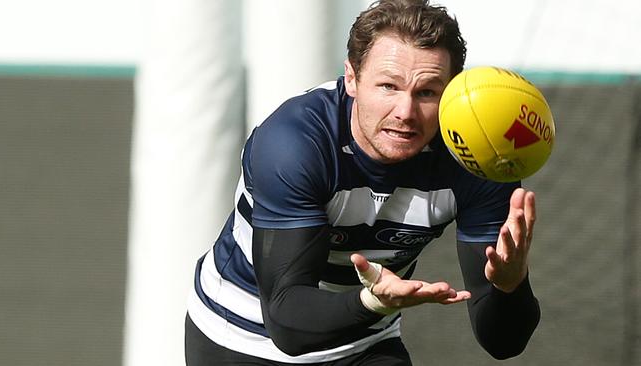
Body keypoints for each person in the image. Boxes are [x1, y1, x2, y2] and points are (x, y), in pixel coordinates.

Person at [185, 0, 541, 364]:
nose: (405, 113)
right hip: (243, 336)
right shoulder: (295, 144)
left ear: (450, 91)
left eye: (427, 92)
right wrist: (374, 301)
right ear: (351, 79)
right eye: (388, 86)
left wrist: (510, 285)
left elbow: (502, 344)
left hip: (363, 340)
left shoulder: (476, 160)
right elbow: (286, 322)